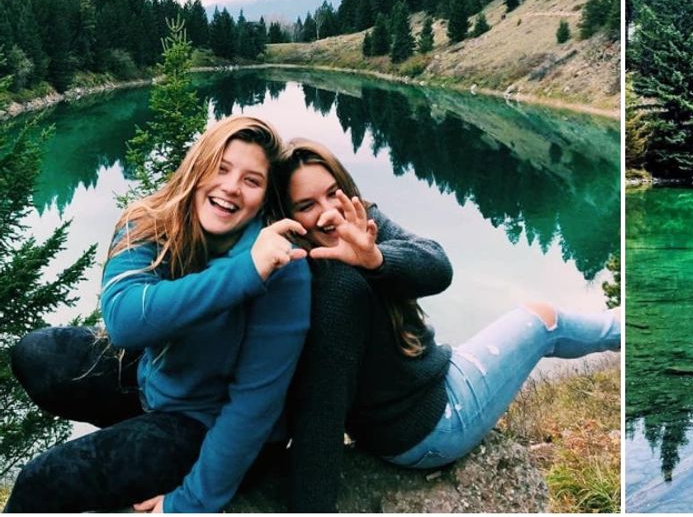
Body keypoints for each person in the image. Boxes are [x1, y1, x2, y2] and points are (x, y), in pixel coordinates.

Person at [279, 139, 621, 512]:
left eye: (333, 193)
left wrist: (375, 259)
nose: (328, 213)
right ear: (287, 217)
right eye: (307, 206)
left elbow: (438, 268)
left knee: (539, 322)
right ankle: (626, 331)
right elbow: (322, 410)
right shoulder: (336, 288)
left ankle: (621, 330)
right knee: (544, 321)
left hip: (422, 395)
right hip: (433, 427)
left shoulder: (361, 225)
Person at [5, 116, 312, 513]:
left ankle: (147, 450)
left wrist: (190, 501)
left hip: (211, 425)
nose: (231, 187)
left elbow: (254, 404)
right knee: (37, 354)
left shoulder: (282, 265)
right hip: (158, 384)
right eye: (220, 168)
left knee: (43, 481)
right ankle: (138, 441)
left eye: (251, 181)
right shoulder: (151, 221)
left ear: (264, 198)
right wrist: (243, 273)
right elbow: (124, 321)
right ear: (196, 168)